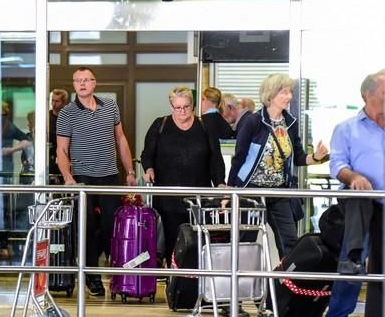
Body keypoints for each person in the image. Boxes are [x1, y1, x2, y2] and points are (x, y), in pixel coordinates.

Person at [228, 74, 329, 258]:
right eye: (284, 92)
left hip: (279, 192)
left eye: (290, 92)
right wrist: (230, 191)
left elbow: (298, 157)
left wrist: (316, 157)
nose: (289, 96)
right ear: (270, 95)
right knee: (244, 241)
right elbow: (239, 158)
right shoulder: (254, 121)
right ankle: (239, 283)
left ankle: (287, 284)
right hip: (252, 192)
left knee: (289, 242)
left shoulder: (290, 123)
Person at [56, 66, 137, 297]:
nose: (82, 84)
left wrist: (129, 169)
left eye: (86, 80)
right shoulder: (67, 113)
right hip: (82, 177)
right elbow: (62, 149)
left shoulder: (110, 105)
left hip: (110, 174)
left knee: (112, 225)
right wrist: (68, 177)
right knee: (88, 227)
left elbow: (120, 138)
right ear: (74, 85)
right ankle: (92, 276)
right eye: (77, 80)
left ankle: (109, 267)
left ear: (94, 83)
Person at [324, 70, 384, 317]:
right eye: (384, 92)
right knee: (354, 255)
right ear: (367, 96)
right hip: (360, 202)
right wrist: (354, 177)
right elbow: (337, 164)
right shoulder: (347, 128)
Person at [141, 86, 226, 263]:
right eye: (177, 107)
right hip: (168, 195)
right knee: (172, 238)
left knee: (197, 239)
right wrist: (148, 169)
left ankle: (193, 278)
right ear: (171, 107)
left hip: (198, 195)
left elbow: (215, 159)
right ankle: (174, 278)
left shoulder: (204, 126)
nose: (182, 111)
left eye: (186, 107)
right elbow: (147, 154)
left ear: (192, 105)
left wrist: (220, 183)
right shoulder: (160, 124)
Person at [49, 88, 69, 183]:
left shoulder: (68, 118)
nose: (54, 103)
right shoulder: (46, 118)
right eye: (52, 100)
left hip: (66, 155)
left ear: (64, 102)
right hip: (50, 157)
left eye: (57, 101)